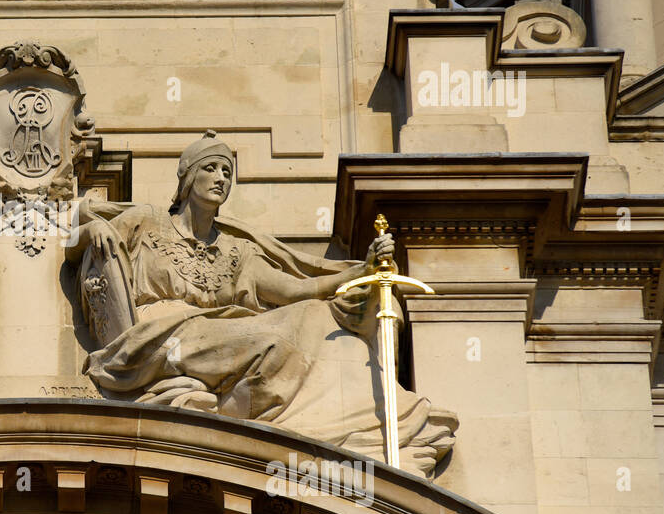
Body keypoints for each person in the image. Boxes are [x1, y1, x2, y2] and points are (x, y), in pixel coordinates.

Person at [66, 131, 456, 475]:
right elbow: (71, 240)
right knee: (270, 340)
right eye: (213, 168)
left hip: (215, 332)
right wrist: (93, 229)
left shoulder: (237, 251)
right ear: (188, 176)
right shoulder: (147, 222)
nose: (221, 178)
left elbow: (294, 291)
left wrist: (360, 272)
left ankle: (333, 423)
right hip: (158, 337)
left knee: (311, 316)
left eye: (228, 173)